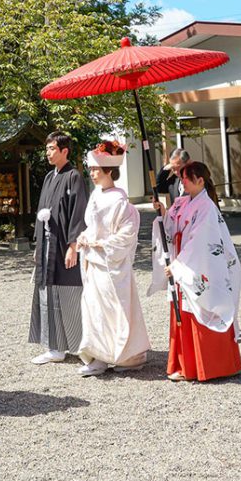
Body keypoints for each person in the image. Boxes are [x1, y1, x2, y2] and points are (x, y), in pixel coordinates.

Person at [150, 161, 241, 382]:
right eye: (182, 178)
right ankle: (185, 364)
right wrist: (162, 212)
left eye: (186, 178)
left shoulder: (208, 207)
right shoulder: (181, 203)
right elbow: (170, 227)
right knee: (184, 309)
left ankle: (211, 366)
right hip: (185, 260)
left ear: (200, 181)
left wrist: (179, 265)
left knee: (203, 304)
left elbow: (202, 241)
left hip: (200, 265)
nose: (182, 182)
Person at [75, 141, 149, 376]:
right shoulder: (96, 194)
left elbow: (127, 235)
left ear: (109, 171)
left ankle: (124, 355)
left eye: (96, 169)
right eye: (92, 169)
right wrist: (85, 236)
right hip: (94, 260)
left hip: (110, 262)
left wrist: (102, 244)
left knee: (112, 309)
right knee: (93, 308)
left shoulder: (121, 202)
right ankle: (98, 355)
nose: (93, 173)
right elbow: (92, 225)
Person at [29, 132, 89, 364]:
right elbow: (40, 211)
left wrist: (73, 245)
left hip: (63, 242)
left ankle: (76, 344)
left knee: (68, 293)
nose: (48, 153)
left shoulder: (74, 177)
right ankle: (53, 346)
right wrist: (37, 243)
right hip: (46, 242)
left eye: (53, 148)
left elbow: (78, 213)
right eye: (47, 149)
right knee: (46, 292)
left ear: (65, 151)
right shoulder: (48, 177)